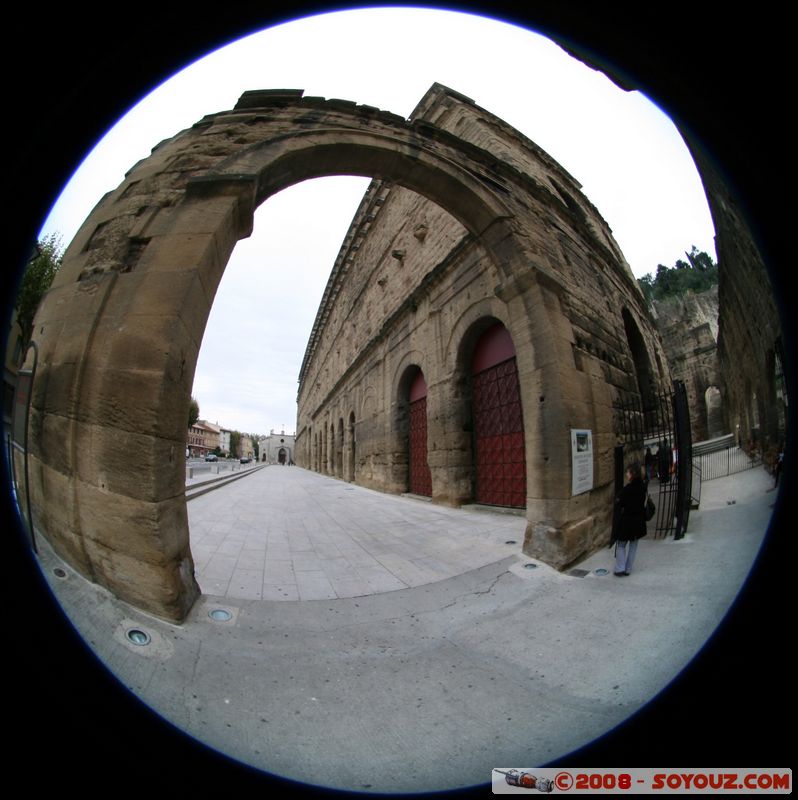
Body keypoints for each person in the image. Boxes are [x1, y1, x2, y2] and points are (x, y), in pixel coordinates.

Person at [612, 462, 647, 576]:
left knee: (621, 544)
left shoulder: (628, 489)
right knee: (633, 546)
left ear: (632, 473)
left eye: (627, 472)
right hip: (639, 521)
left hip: (627, 522)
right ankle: (628, 569)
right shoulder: (643, 486)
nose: (626, 474)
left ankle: (619, 568)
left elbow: (619, 502)